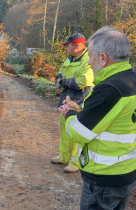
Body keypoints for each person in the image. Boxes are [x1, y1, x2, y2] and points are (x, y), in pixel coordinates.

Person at [59, 26, 136, 210]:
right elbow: (111, 116)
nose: (89, 62)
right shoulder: (132, 81)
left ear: (103, 58)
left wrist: (70, 113)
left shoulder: (110, 89)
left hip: (104, 178)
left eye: (91, 56)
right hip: (126, 172)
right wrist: (81, 109)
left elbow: (78, 133)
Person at [51, 32, 94, 173]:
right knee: (64, 129)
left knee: (76, 132)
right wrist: (59, 78)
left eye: (67, 46)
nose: (65, 48)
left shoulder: (88, 59)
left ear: (76, 46)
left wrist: (64, 82)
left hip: (80, 101)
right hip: (67, 98)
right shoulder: (70, 58)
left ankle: (75, 163)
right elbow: (61, 72)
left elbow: (84, 81)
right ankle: (63, 156)